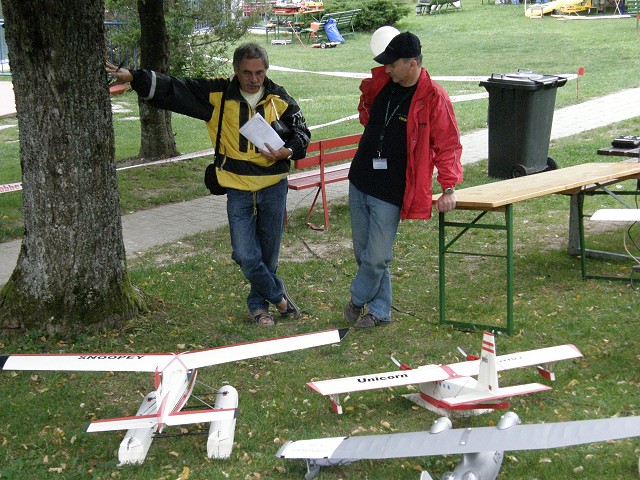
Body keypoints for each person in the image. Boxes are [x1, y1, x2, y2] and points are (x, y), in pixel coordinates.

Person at [106, 43, 310, 327]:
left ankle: (258, 307)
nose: (254, 79)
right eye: (247, 73)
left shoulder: (280, 98)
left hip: (273, 186)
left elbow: (302, 135)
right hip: (237, 188)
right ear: (236, 71)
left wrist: (285, 152)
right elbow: (175, 88)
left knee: (268, 254)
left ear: (267, 70)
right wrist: (135, 77)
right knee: (244, 254)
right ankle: (280, 298)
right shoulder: (217, 94)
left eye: (260, 73)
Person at [344, 32, 463, 329]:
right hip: (360, 178)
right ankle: (380, 311)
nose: (386, 69)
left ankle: (357, 299)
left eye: (392, 64)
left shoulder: (434, 97)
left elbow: (447, 145)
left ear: (412, 64)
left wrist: (448, 187)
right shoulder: (385, 84)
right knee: (363, 254)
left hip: (392, 189)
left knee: (377, 256)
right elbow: (367, 112)